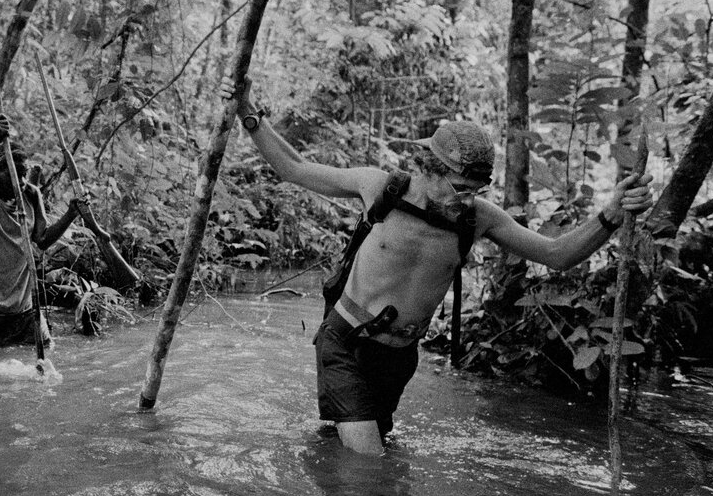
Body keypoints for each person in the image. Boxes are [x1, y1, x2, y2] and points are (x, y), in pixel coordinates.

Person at [224, 78, 654, 455]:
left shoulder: (479, 217)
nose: (467, 198)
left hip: (398, 360)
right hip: (346, 344)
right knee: (371, 468)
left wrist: (611, 215)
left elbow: (558, 254)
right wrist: (248, 111)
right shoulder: (380, 188)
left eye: (476, 190)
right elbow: (294, 168)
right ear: (430, 167)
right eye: (461, 187)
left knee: (356, 448)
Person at [0, 113, 87, 349]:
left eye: (24, 173)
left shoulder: (31, 195)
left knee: (46, 355)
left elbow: (41, 239)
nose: (21, 181)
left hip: (23, 307)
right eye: (15, 173)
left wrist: (71, 213)